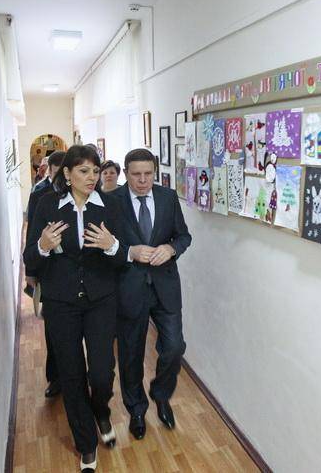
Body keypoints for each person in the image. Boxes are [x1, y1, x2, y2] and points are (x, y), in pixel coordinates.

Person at [23, 145, 127, 473]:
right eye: (83, 171)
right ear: (67, 174)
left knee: (102, 373)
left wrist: (112, 246)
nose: (92, 177)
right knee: (71, 374)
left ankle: (101, 410)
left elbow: (124, 258)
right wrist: (43, 246)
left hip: (101, 301)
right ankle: (86, 442)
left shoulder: (110, 206)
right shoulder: (46, 205)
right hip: (61, 303)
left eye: (95, 171)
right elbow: (30, 258)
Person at [112, 148, 192, 440]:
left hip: (165, 287)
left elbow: (183, 236)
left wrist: (171, 249)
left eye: (148, 174)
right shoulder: (111, 201)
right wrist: (129, 252)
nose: (143, 180)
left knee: (174, 346)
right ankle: (136, 408)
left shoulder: (168, 198)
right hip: (129, 288)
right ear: (126, 173)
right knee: (131, 353)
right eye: (136, 175)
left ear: (154, 172)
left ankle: (161, 394)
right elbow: (104, 247)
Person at [24, 151, 65, 398]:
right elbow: (32, 235)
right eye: (56, 171)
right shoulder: (39, 194)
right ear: (50, 170)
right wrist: (31, 272)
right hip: (48, 269)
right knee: (53, 330)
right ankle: (55, 377)